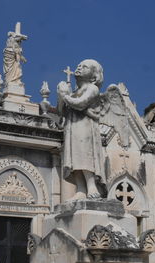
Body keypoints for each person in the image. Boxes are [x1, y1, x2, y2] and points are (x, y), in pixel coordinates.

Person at [57, 59, 105, 200]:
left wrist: (65, 96)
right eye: (78, 65)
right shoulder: (74, 92)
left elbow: (80, 104)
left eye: (84, 67)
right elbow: (61, 112)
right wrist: (61, 96)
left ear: (94, 76)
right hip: (72, 128)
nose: (78, 68)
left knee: (85, 155)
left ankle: (91, 186)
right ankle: (81, 189)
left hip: (85, 127)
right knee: (74, 158)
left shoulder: (92, 89)